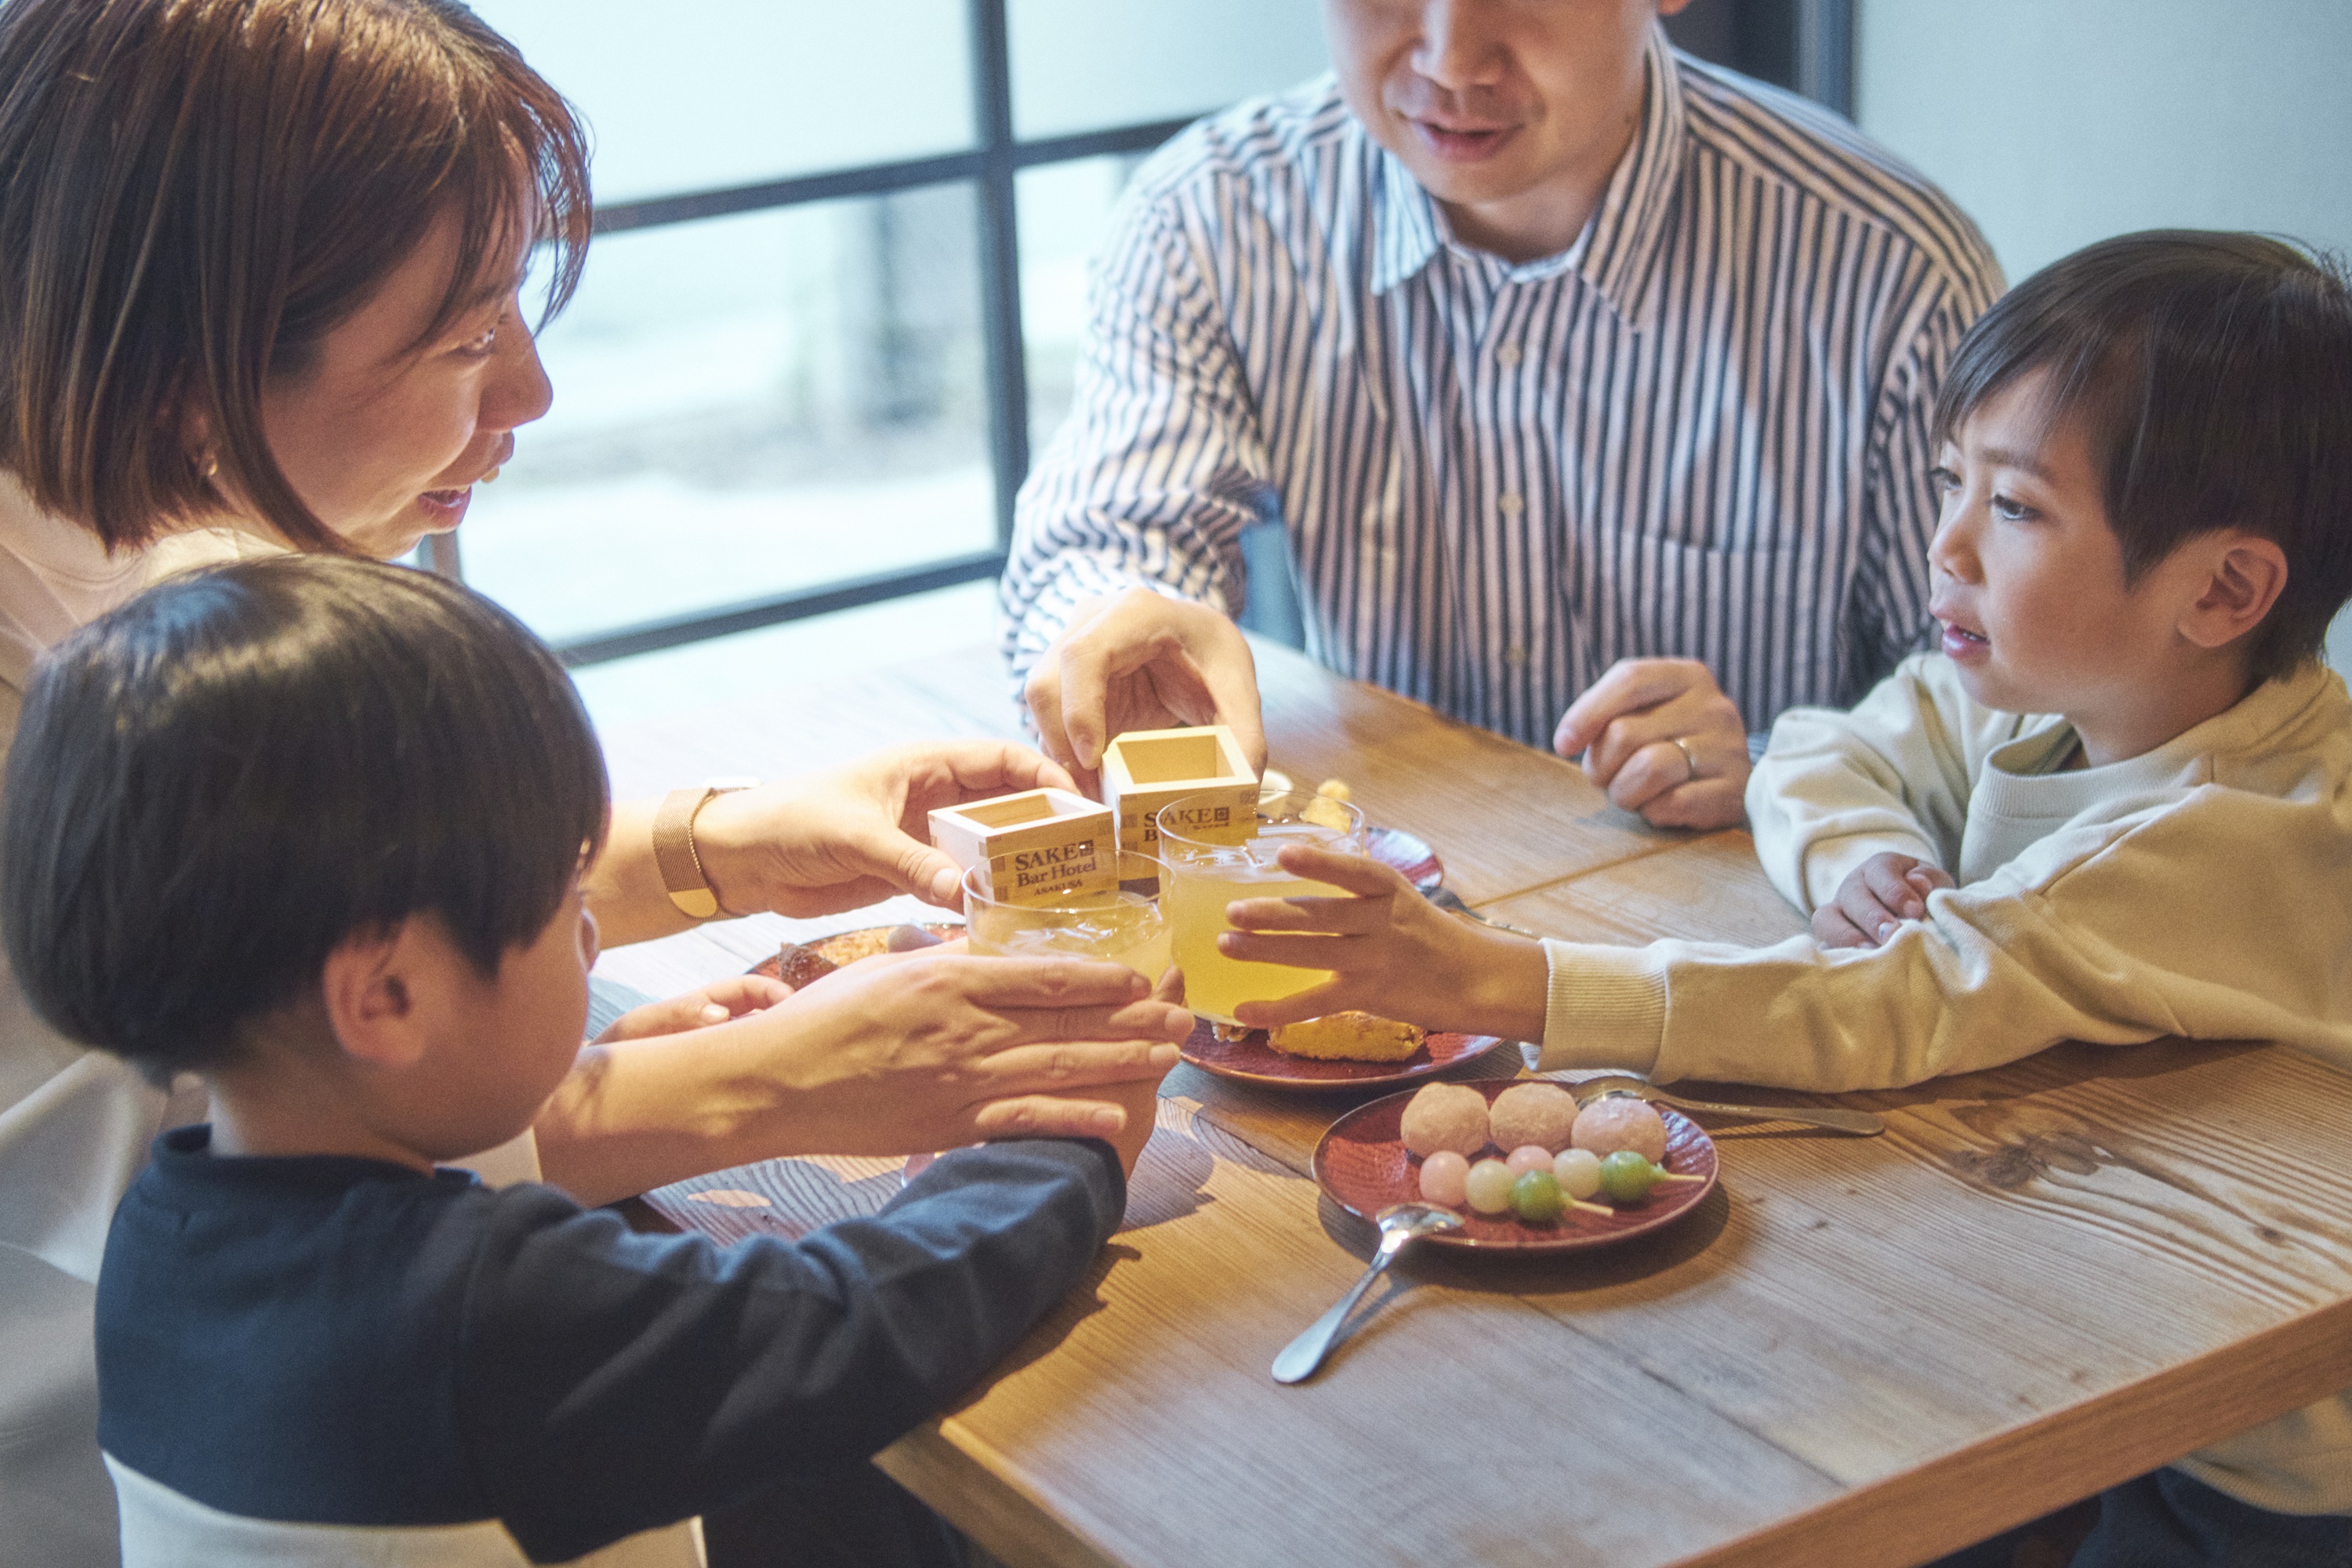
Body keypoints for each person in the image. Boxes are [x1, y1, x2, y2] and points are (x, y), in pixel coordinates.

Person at [0, 2, 1187, 1559]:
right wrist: (959, 1113)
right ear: (192, 371)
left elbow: (276, 1027)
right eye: (469, 333)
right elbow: (206, 1171)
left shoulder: (165, 546)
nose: (534, 393)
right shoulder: (110, 677)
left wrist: (719, 850)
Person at [1210, 231, 2352, 1563]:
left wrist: (1486, 978)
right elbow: (1824, 747)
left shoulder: (2239, 834)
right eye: (1952, 482)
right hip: (2093, 1306)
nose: (1948, 544)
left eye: (2021, 509)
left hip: (2266, 1438)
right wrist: (1860, 856)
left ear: (2222, 590)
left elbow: (1891, 1006)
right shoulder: (2053, 693)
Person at [0, 554, 1167, 1568]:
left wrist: (566, 1072)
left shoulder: (164, 1234)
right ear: (389, 996)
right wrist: (1059, 1140)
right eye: (565, 899)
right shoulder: (485, 1312)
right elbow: (861, 1320)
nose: (597, 930)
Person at [1004, 0, 2002, 830]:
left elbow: (2012, 714)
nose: (1449, 57)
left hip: (1731, 973)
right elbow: (1104, 540)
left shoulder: (1889, 273)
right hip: (1373, 925)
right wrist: (1119, 632)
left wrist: (1794, 766)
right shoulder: (1212, 218)